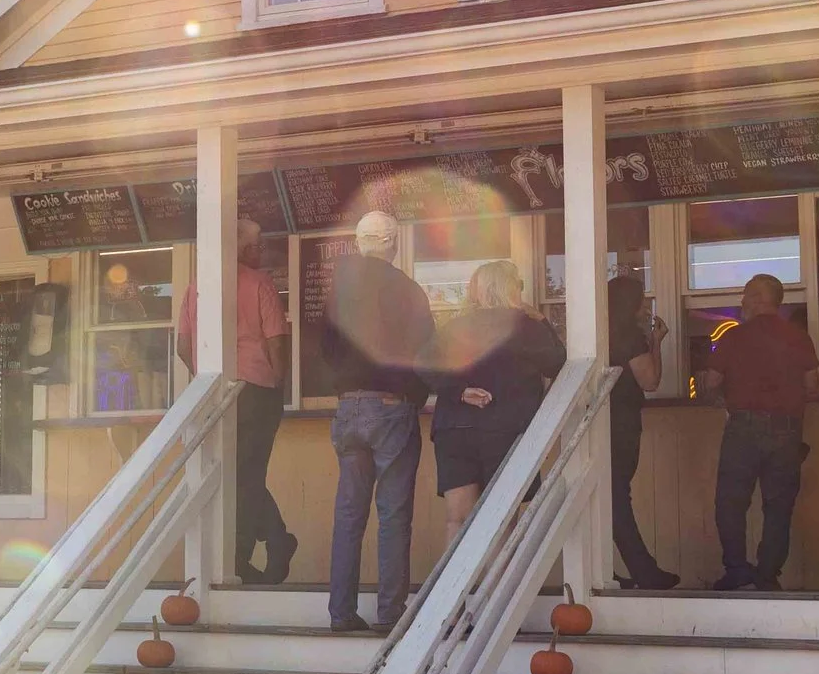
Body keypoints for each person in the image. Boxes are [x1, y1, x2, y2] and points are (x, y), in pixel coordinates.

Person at [322, 209, 436, 633]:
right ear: (393, 243)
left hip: (348, 407)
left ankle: (341, 613)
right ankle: (390, 613)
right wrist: (414, 395)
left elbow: (327, 349)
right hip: (391, 406)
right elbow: (427, 351)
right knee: (393, 514)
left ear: (358, 241)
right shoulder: (407, 290)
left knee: (349, 514)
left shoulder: (339, 289)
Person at [175, 218, 297, 584]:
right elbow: (277, 339)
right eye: (258, 246)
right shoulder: (261, 283)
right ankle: (260, 547)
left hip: (215, 396)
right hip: (256, 392)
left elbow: (183, 346)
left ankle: (254, 550)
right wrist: (277, 383)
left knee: (235, 475)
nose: (261, 252)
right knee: (247, 474)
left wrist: (204, 374)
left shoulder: (196, 289)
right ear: (241, 249)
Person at [419, 260, 565, 537]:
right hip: (506, 431)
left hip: (455, 430)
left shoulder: (455, 327)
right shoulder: (525, 326)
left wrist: (459, 391)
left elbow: (423, 364)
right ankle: (496, 582)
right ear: (510, 288)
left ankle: (458, 582)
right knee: (501, 519)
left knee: (457, 519)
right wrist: (542, 319)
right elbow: (557, 362)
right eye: (519, 284)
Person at [700, 273, 818, 591]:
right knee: (778, 506)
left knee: (731, 502)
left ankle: (737, 568)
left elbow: (710, 382)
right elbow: (811, 385)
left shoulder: (734, 338)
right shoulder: (798, 337)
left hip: (743, 427)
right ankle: (768, 575)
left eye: (746, 296)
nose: (742, 302)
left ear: (757, 298)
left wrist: (723, 400)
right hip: (787, 431)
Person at [608, 274, 677, 590]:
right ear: (632, 304)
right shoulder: (629, 337)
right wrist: (656, 344)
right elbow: (649, 381)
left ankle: (606, 572)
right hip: (621, 425)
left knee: (606, 500)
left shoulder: (598, 333)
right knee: (617, 498)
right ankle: (645, 573)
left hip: (594, 424)